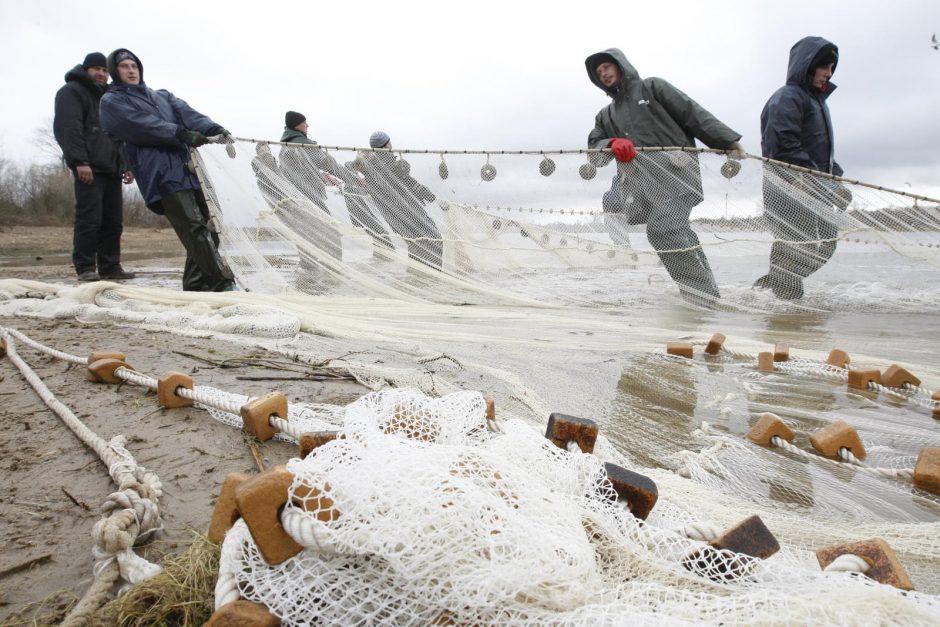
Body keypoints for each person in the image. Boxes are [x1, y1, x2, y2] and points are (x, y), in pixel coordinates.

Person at [585, 48, 745, 303]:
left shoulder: (652, 88)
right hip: (641, 188)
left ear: (620, 65)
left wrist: (727, 141)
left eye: (606, 66)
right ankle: (709, 297)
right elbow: (594, 153)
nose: (603, 73)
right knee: (675, 232)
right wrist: (610, 143)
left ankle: (702, 299)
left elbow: (691, 112)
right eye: (598, 72)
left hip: (677, 178)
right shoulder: (605, 115)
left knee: (664, 229)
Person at [99, 49, 236, 292]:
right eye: (124, 67)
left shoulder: (162, 96)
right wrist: (179, 133)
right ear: (114, 72)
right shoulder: (111, 102)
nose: (131, 71)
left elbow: (190, 115)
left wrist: (214, 128)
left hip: (190, 169)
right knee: (193, 226)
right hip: (160, 173)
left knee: (212, 222)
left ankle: (195, 284)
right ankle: (221, 283)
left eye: (134, 66)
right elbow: (139, 126)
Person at [754, 36, 847, 300]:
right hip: (789, 191)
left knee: (827, 242)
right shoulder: (787, 98)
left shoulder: (818, 102)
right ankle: (785, 311)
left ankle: (774, 288)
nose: (828, 73)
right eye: (824, 67)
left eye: (832, 68)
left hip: (817, 191)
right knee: (793, 247)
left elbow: (822, 152)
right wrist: (803, 178)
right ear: (808, 66)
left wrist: (837, 180)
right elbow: (781, 144)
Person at [53, 52, 136, 282]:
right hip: (88, 167)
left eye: (104, 70)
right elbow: (68, 128)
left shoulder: (109, 98)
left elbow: (118, 133)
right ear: (86, 69)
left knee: (113, 221)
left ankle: (110, 266)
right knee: (89, 219)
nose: (101, 73)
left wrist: (126, 165)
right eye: (96, 69)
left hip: (111, 168)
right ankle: (85, 267)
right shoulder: (71, 92)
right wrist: (80, 161)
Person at [360, 131, 443, 270]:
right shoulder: (387, 165)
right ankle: (427, 279)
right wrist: (426, 193)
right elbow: (406, 183)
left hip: (395, 217)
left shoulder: (371, 167)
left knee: (417, 244)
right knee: (434, 238)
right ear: (387, 145)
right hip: (408, 212)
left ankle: (417, 279)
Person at [277, 111, 344, 262]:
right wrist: (352, 179)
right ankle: (337, 272)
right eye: (304, 122)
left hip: (295, 200)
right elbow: (330, 165)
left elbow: (296, 171)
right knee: (332, 233)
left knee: (304, 237)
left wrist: (322, 176)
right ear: (296, 125)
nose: (307, 125)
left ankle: (308, 278)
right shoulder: (303, 144)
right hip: (311, 198)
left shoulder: (284, 147)